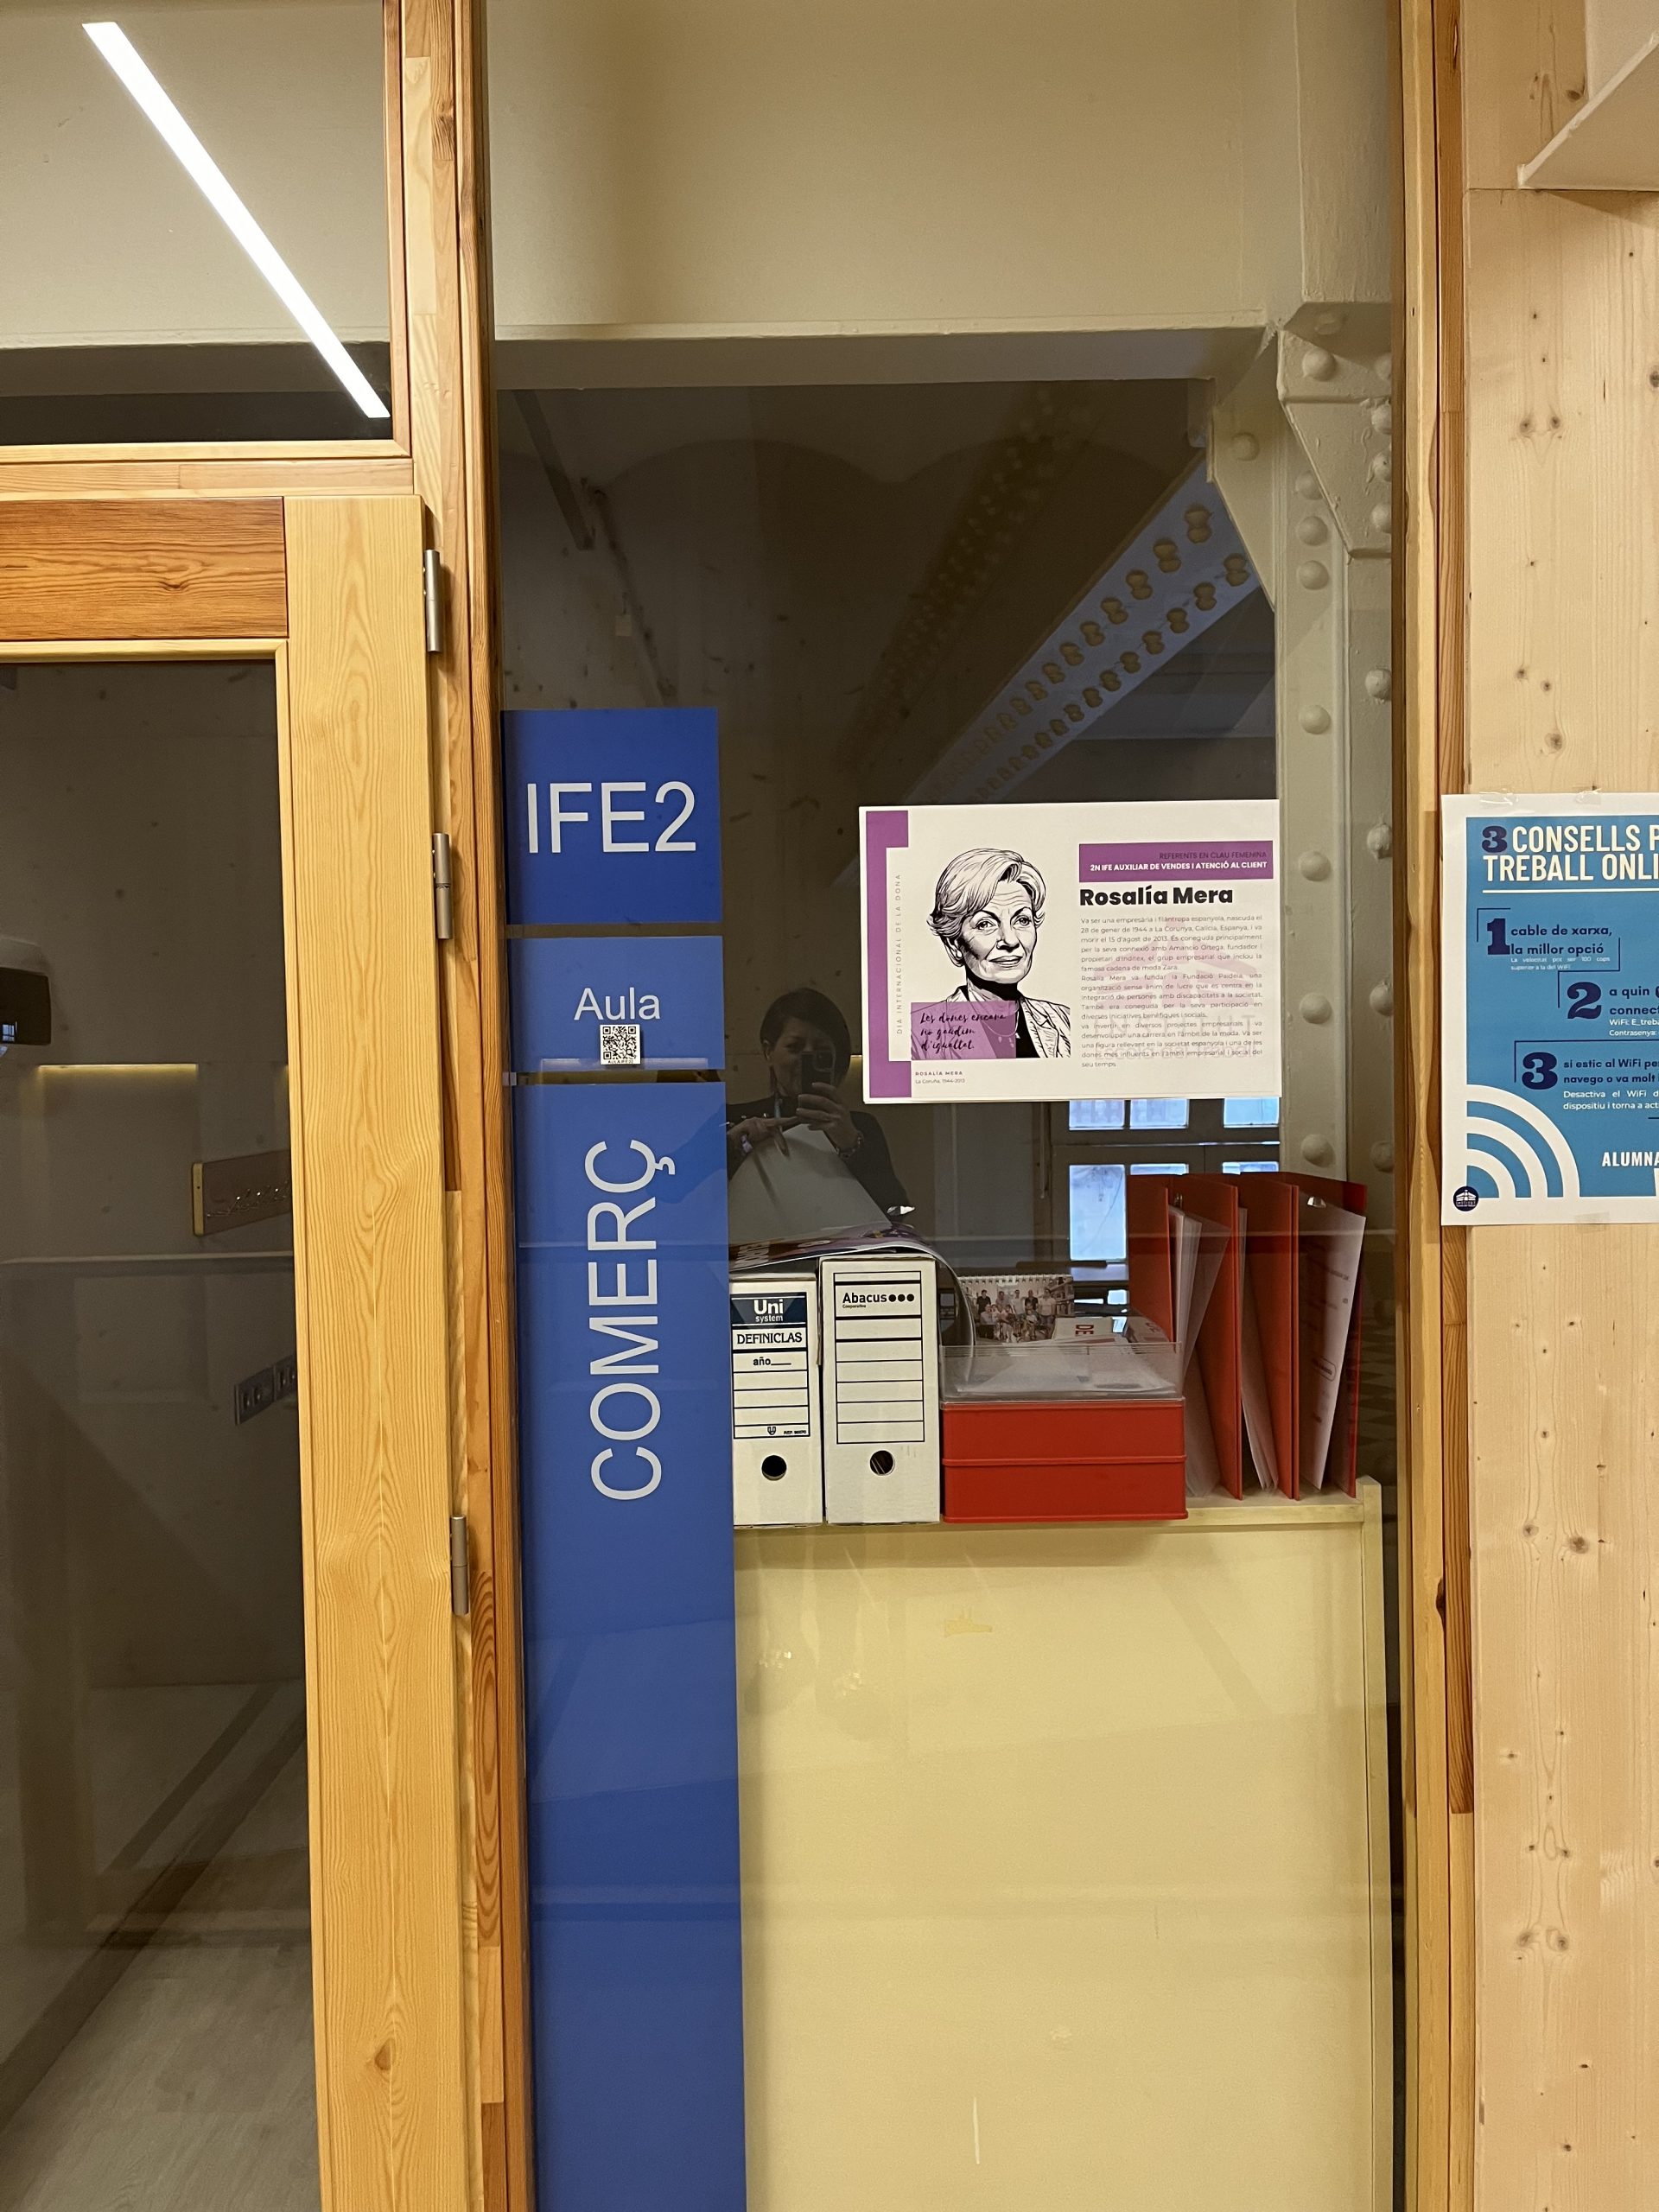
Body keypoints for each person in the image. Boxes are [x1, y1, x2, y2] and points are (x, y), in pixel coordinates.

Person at [727, 987, 908, 1217]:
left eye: (821, 1051)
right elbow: (693, 1201)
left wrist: (852, 1145)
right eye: (794, 1047)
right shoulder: (737, 1123)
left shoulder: (860, 1127)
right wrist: (732, 1147)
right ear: (768, 1051)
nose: (806, 1057)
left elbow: (894, 1210)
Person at [927, 847, 1071, 1058]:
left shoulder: (1064, 1021)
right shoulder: (925, 1033)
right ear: (953, 944)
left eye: (1022, 920)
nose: (1010, 940)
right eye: (985, 924)